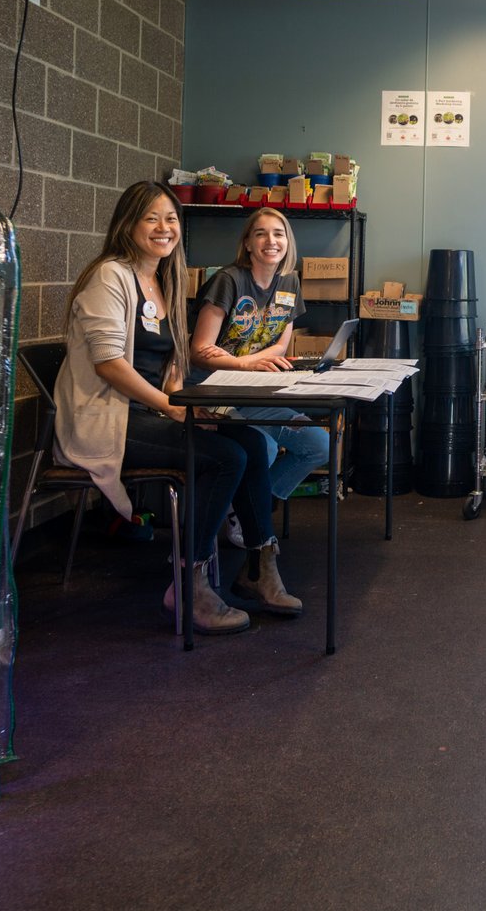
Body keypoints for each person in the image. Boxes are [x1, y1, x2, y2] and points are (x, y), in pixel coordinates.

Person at [54, 181, 290, 634]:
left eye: (172, 219)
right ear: (128, 224)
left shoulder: (161, 280)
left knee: (247, 440)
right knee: (224, 458)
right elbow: (109, 366)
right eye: (151, 218)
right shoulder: (110, 275)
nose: (165, 228)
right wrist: (173, 408)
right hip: (107, 418)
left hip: (147, 413)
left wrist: (188, 405)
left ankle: (260, 565)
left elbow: (169, 364)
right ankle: (188, 583)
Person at [189, 208, 328, 606]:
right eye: (262, 234)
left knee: (317, 444)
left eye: (279, 234)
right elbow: (200, 351)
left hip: (258, 389)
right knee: (262, 450)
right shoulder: (228, 281)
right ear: (247, 242)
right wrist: (247, 362)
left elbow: (282, 344)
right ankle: (254, 539)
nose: (272, 241)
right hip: (214, 392)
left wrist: (267, 363)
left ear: (288, 242)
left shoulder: (289, 282)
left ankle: (250, 509)